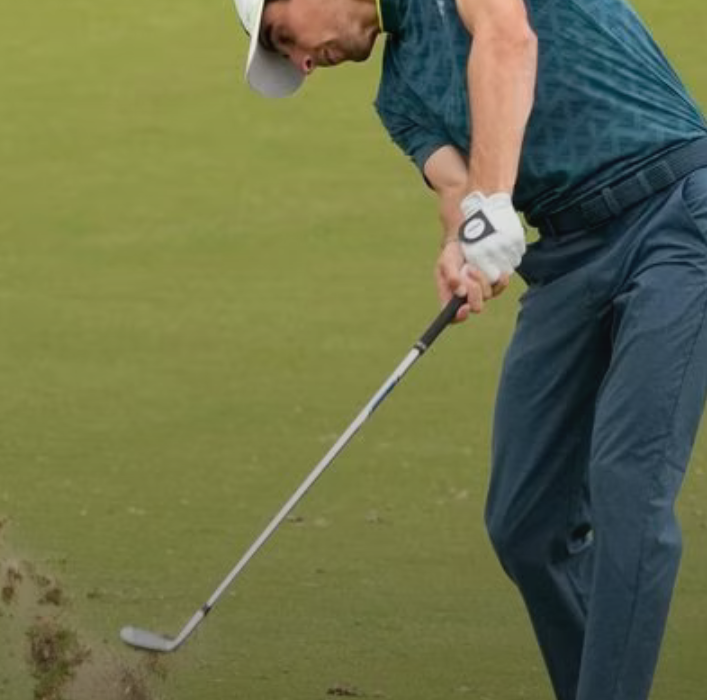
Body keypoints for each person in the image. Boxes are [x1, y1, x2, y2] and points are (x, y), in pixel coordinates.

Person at [229, 0, 707, 698]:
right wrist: (460, 247)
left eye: (282, 37)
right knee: (524, 522)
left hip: (678, 215)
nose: (302, 63)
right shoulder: (400, 97)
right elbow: (458, 186)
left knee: (627, 487)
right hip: (570, 260)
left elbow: (508, 41)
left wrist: (495, 198)